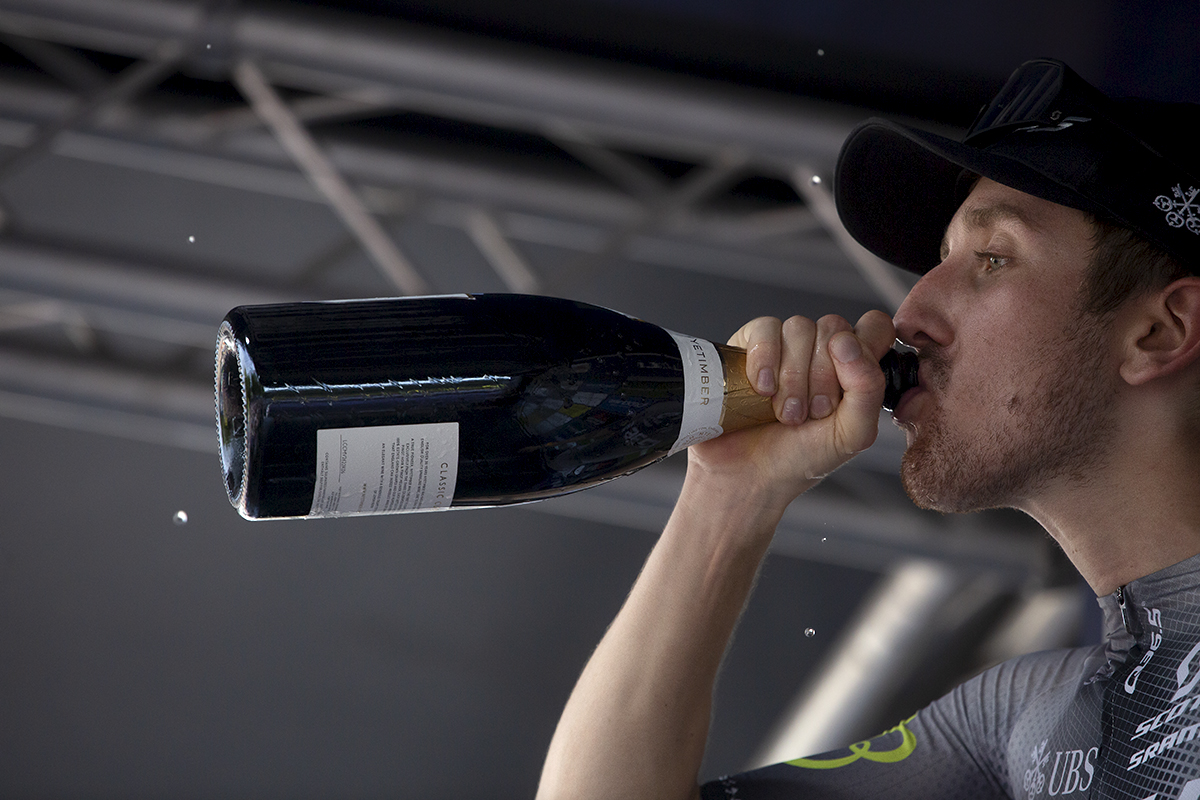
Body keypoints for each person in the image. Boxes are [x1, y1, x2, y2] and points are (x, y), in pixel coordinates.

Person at [535, 59, 1200, 800]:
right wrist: (728, 496)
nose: (910, 312)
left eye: (991, 258)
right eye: (940, 259)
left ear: (1160, 332)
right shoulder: (1021, 721)